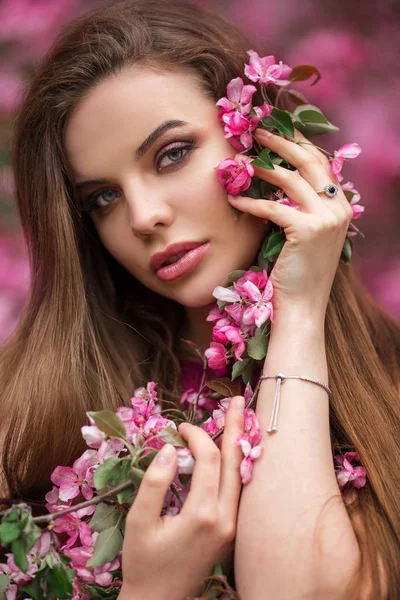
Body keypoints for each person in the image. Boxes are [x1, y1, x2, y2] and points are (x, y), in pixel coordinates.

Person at [0, 0, 399, 598]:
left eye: (172, 154)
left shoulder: (389, 388)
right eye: (102, 199)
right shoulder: (27, 422)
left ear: (265, 144)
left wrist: (298, 313)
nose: (143, 216)